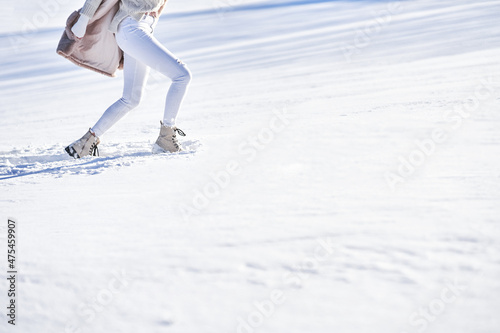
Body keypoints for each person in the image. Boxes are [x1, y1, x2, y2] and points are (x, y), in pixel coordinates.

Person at [65, 0, 192, 158]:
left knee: (131, 98)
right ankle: (166, 137)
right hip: (132, 28)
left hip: (139, 30)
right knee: (182, 75)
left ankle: (84, 143)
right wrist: (84, 18)